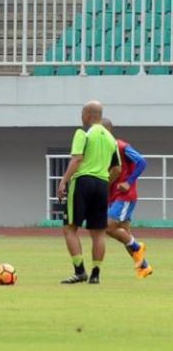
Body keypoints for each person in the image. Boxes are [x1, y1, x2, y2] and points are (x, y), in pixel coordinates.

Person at [57, 101, 120, 284]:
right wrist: (104, 183)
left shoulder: (82, 132)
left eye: (82, 112)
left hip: (82, 182)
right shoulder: (110, 139)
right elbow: (116, 169)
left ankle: (79, 271)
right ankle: (96, 274)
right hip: (101, 184)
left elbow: (77, 159)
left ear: (87, 114)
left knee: (70, 227)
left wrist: (63, 181)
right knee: (98, 232)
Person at [101, 118, 152, 278]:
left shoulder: (121, 146)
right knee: (124, 234)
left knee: (109, 226)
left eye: (101, 132)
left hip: (124, 195)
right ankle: (144, 267)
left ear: (108, 131)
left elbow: (142, 162)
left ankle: (138, 247)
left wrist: (129, 182)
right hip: (114, 196)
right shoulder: (104, 150)